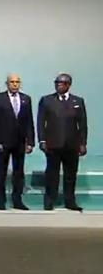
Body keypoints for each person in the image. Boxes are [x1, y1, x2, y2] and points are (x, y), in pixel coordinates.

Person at [37, 73, 87, 211]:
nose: (58, 85)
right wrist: (42, 140)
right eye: (57, 83)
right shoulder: (47, 100)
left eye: (62, 83)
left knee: (70, 175)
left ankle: (70, 201)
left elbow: (82, 124)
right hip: (53, 144)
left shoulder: (78, 101)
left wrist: (83, 143)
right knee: (52, 175)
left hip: (72, 144)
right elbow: (41, 122)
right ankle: (49, 201)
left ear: (68, 85)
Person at [0, 74, 34, 210]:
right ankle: (1, 200)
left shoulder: (26, 99)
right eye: (12, 82)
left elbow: (29, 121)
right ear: (7, 84)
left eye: (17, 82)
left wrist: (30, 141)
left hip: (19, 142)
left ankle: (17, 200)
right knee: (1, 172)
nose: (15, 84)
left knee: (18, 172)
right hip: (3, 142)